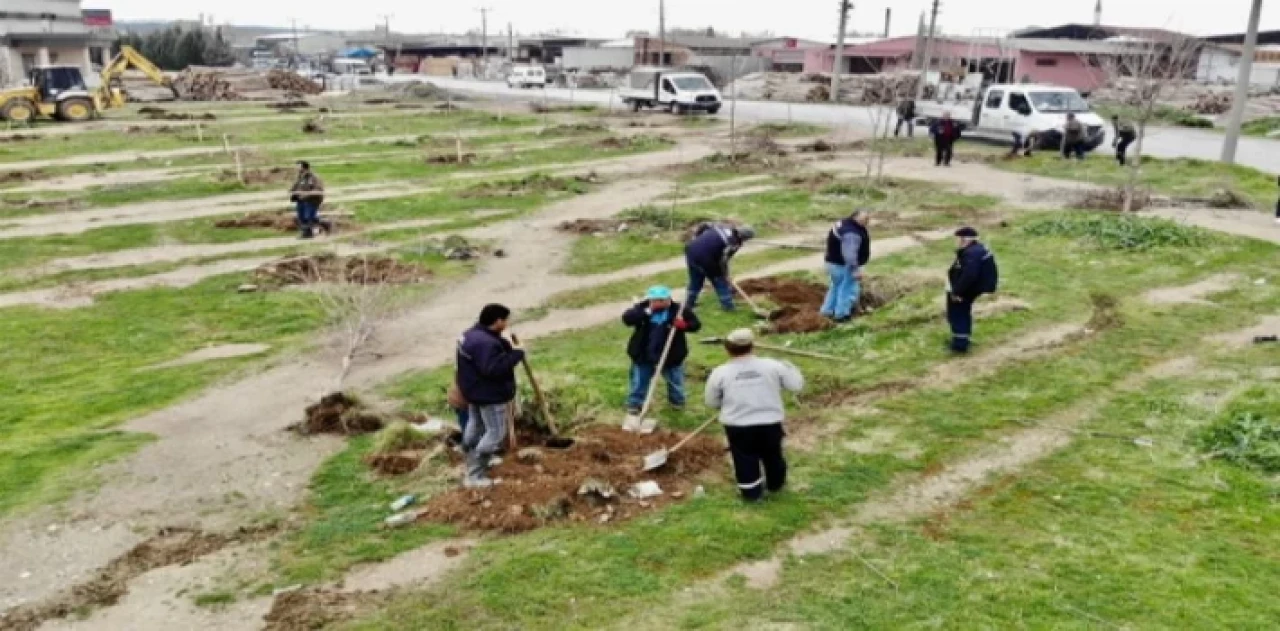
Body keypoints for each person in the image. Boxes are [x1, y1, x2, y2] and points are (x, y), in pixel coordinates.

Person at [705, 328, 805, 503]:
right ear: (752, 346)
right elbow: (796, 385)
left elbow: (711, 402)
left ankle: (752, 494)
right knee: (773, 454)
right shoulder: (773, 366)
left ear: (727, 349)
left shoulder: (720, 373)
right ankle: (776, 486)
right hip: (770, 422)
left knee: (744, 458)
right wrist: (789, 366)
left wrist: (726, 403)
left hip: (738, 425)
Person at [455, 304, 525, 488]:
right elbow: (494, 369)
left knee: (475, 425)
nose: (507, 323)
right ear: (498, 321)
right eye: (506, 319)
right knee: (495, 433)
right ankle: (475, 476)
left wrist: (506, 345)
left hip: (472, 390)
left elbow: (487, 355)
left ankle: (470, 461)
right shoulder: (485, 343)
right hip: (489, 395)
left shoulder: (470, 334)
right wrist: (517, 353)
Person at [621, 286, 702, 431]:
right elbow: (627, 319)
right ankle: (635, 404)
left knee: (675, 380)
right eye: (654, 300)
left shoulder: (679, 310)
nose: (658, 303)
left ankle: (677, 403)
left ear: (668, 299)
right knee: (640, 380)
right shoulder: (642, 308)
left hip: (671, 355)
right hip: (644, 353)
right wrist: (647, 311)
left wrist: (683, 325)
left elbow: (696, 325)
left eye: (661, 300)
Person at [946, 227, 999, 354]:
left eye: (958, 239)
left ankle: (959, 345)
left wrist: (957, 292)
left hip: (968, 289)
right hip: (973, 287)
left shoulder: (972, 253)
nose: (956, 241)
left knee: (958, 312)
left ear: (965, 240)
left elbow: (969, 275)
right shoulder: (976, 249)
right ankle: (962, 339)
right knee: (962, 311)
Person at [685, 222, 755, 311]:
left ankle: (689, 304)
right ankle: (728, 307)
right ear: (744, 237)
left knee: (696, 279)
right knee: (720, 281)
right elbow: (723, 261)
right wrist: (725, 275)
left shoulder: (723, 226)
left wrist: (697, 238)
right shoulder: (733, 243)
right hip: (706, 259)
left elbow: (704, 225)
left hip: (691, 250)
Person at [821, 209, 871, 323]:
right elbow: (849, 253)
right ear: (856, 217)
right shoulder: (851, 233)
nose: (868, 221)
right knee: (848, 290)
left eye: (868, 218)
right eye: (865, 218)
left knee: (836, 287)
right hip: (843, 265)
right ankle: (842, 316)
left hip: (831, 263)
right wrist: (855, 270)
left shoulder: (843, 223)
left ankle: (826, 312)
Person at [289, 161, 332, 239]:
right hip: (301, 200)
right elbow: (294, 187)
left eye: (298, 167)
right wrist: (293, 191)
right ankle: (325, 223)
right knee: (301, 217)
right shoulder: (299, 177)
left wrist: (307, 193)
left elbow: (319, 190)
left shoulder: (314, 177)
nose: (296, 169)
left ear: (304, 167)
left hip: (312, 200)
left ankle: (307, 233)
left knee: (308, 217)